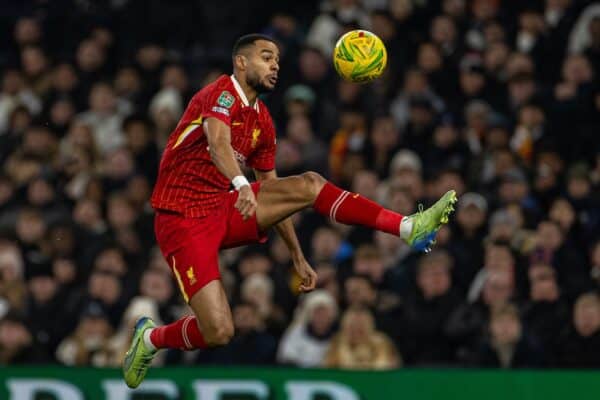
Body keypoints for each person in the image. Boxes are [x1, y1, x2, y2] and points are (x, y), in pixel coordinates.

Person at [122, 34, 457, 388]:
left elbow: (276, 194)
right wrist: (239, 185)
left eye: (278, 60)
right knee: (219, 331)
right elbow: (218, 144)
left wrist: (297, 255)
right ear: (241, 62)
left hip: (224, 206)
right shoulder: (220, 94)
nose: (275, 66)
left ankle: (408, 226)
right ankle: (150, 339)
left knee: (308, 184)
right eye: (267, 57)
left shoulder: (262, 121)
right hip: (182, 219)